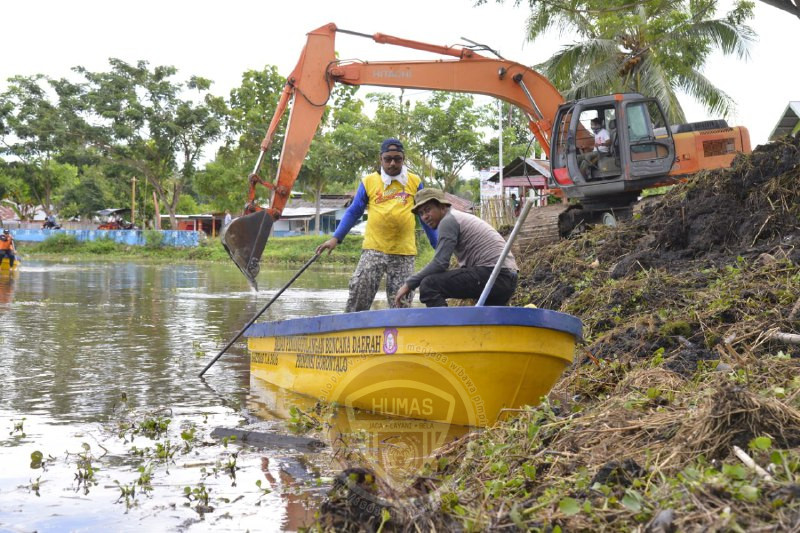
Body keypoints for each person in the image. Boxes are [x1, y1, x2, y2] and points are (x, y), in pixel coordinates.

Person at [316, 138, 437, 312]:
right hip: (374, 250)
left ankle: (397, 336)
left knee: (401, 304)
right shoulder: (369, 181)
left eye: (397, 159)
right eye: (388, 159)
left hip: (404, 252)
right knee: (359, 295)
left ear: (403, 159)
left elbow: (425, 216)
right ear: (381, 159)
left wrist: (438, 246)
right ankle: (352, 332)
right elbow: (354, 211)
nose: (393, 163)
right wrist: (336, 238)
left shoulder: (415, 181)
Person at [394, 188, 518, 308]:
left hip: (496, 274)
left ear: (442, 207)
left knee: (429, 284)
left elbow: (440, 263)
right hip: (506, 277)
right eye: (421, 213)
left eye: (428, 210)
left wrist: (409, 284)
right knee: (482, 319)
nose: (425, 216)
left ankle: (445, 327)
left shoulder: (448, 221)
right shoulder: (456, 217)